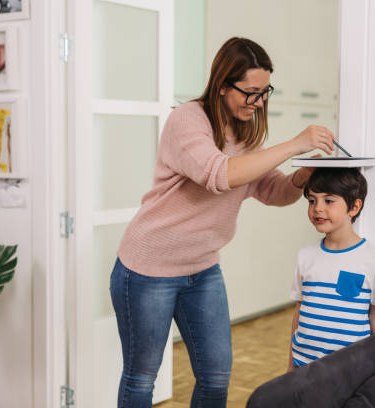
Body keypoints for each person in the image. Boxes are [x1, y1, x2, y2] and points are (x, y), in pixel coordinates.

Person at [110, 37, 335, 408]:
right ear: (221, 85)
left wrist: (304, 172)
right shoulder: (187, 120)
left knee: (215, 378)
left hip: (202, 269)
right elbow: (219, 175)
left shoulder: (244, 133)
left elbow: (274, 191)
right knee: (141, 379)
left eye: (264, 92)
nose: (258, 102)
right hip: (148, 269)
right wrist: (294, 145)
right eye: (250, 92)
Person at [287, 167, 375, 370]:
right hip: (303, 366)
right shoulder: (305, 255)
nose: (317, 208)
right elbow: (300, 309)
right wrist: (290, 366)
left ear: (354, 207)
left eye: (329, 201)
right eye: (312, 200)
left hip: (349, 369)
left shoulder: (374, 258)